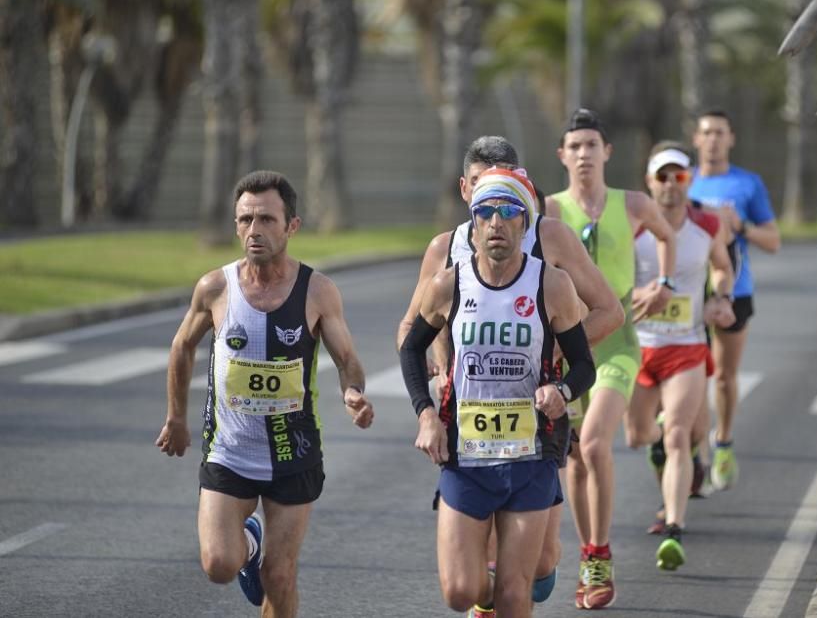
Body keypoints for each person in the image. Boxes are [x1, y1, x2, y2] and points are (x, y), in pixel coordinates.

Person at [396, 136, 624, 614]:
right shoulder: (446, 254)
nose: (495, 215)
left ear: (527, 205)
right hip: (469, 425)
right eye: (483, 196)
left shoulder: (551, 246)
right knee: (465, 589)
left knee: (535, 569)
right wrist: (431, 393)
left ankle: (518, 582)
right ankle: (491, 592)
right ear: (466, 194)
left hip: (537, 417)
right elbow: (412, 332)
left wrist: (556, 366)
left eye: (508, 200)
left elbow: (608, 312)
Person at [156, 171, 374, 617]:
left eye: (267, 220)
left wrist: (353, 393)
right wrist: (176, 418)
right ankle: (249, 544)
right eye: (245, 220)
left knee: (280, 576)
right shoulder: (216, 287)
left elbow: (347, 358)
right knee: (219, 564)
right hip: (229, 452)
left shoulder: (317, 290)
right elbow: (182, 346)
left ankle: (263, 556)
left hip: (293, 452)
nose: (254, 230)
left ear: (291, 226)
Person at [546, 108, 678, 610]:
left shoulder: (635, 202)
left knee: (597, 442)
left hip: (618, 341)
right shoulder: (551, 211)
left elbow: (667, 236)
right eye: (574, 146)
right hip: (569, 344)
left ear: (607, 152)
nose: (583, 154)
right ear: (562, 155)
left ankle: (600, 555)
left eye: (591, 145)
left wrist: (662, 285)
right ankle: (587, 555)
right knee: (577, 456)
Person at [623, 144, 735, 572]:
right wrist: (641, 295)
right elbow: (609, 280)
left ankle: (673, 528)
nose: (671, 185)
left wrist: (720, 296)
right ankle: (668, 455)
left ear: (690, 180)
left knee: (677, 435)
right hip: (638, 345)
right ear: (649, 182)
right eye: (662, 177)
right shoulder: (632, 227)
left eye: (680, 177)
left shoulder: (706, 225)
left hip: (686, 346)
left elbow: (722, 265)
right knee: (637, 436)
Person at [688, 110, 781, 490]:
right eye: (706, 132)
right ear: (696, 139)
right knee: (690, 376)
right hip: (689, 294)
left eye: (719, 133)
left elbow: (773, 241)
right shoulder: (682, 180)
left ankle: (722, 442)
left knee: (724, 376)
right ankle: (691, 453)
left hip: (734, 291)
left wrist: (740, 226)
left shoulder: (747, 184)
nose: (712, 139)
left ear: (731, 139)